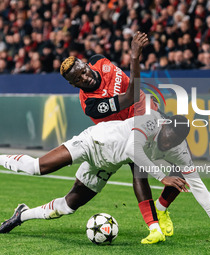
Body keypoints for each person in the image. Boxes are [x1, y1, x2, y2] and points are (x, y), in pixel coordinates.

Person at [0, 111, 210, 244]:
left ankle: (22, 215)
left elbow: (198, 185)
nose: (167, 143)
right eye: (167, 137)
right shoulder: (152, 120)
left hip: (106, 166)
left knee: (68, 206)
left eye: (173, 142)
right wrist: (161, 176)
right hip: (93, 142)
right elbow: (135, 149)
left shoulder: (180, 150)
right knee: (38, 167)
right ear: (164, 126)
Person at [59, 31, 179, 243]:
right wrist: (134, 56)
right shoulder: (92, 105)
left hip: (148, 112)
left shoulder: (99, 60)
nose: (85, 77)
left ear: (86, 64)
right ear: (74, 84)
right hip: (126, 131)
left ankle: (161, 209)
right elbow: (130, 96)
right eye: (78, 79)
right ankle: (154, 228)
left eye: (83, 71)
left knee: (183, 163)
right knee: (139, 172)